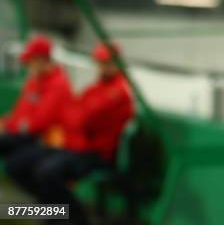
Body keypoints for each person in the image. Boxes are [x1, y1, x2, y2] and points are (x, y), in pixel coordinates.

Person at [5, 42, 134, 225]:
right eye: (101, 62)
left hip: (93, 153)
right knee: (16, 164)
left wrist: (71, 116)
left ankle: (76, 219)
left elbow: (79, 118)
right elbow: (71, 113)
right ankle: (54, 213)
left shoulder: (117, 91)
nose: (103, 67)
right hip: (71, 145)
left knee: (46, 171)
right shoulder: (96, 88)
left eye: (108, 62)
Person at [0, 35, 73, 156]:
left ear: (41, 59)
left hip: (44, 140)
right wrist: (5, 123)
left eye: (31, 60)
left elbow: (40, 122)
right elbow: (20, 111)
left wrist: (10, 127)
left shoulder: (58, 84)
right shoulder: (34, 81)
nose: (28, 64)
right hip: (24, 134)